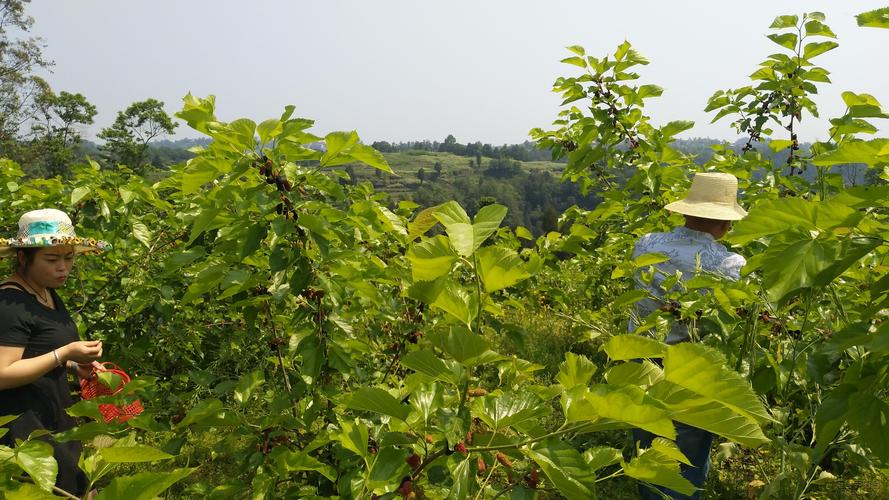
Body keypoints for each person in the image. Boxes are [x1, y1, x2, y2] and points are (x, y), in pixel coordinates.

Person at [629, 172, 748, 499]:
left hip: (641, 358)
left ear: (684, 212)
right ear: (725, 225)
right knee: (688, 453)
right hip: (690, 368)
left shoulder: (646, 243)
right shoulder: (731, 264)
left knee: (648, 443)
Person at [0, 208, 111, 496]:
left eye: (68, 258)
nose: (62, 267)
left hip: (53, 416)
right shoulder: (11, 305)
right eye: (51, 259)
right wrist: (63, 354)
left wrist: (75, 366)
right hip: (25, 429)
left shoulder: (45, 291)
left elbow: (34, 353)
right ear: (23, 258)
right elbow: (2, 373)